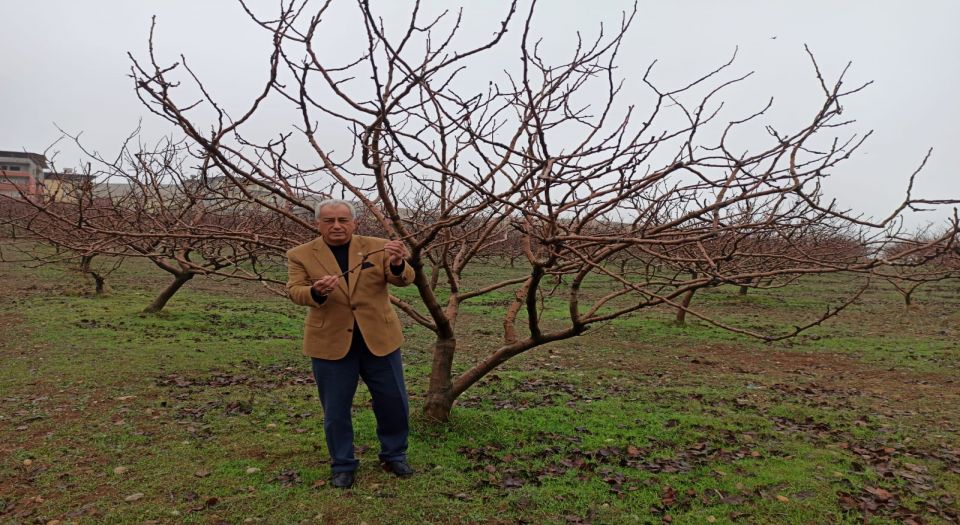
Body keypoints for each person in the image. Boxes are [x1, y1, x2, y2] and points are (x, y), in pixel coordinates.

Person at [285, 199, 416, 489]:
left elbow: (405, 279)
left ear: (354, 223)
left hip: (379, 340)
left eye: (343, 220)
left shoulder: (378, 246)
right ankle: (342, 464)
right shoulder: (300, 255)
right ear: (318, 224)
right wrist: (315, 292)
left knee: (393, 402)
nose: (336, 226)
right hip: (330, 343)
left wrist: (397, 263)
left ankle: (394, 454)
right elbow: (294, 291)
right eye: (329, 221)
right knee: (335, 410)